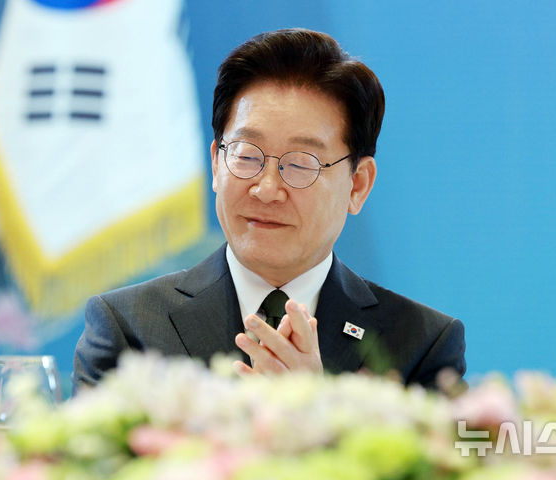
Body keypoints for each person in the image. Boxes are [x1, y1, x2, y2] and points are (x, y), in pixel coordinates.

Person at [72, 28, 465, 391]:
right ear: (216, 163)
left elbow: (449, 448)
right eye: (247, 156)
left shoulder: (422, 343)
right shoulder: (128, 327)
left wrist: (314, 412)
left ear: (358, 184)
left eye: (300, 164)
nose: (266, 190)